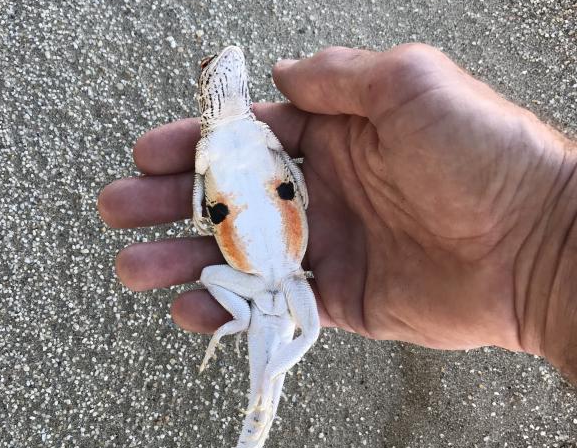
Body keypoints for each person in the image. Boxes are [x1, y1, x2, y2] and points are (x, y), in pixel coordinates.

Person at [97, 44, 577, 385]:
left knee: (296, 333)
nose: (224, 65)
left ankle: (243, 326)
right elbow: (204, 196)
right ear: (207, 92)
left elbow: (283, 170)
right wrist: (548, 216)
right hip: (274, 265)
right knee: (275, 324)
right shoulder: (209, 141)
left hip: (278, 261)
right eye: (210, 68)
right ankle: (241, 321)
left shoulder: (250, 132)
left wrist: (548, 213)